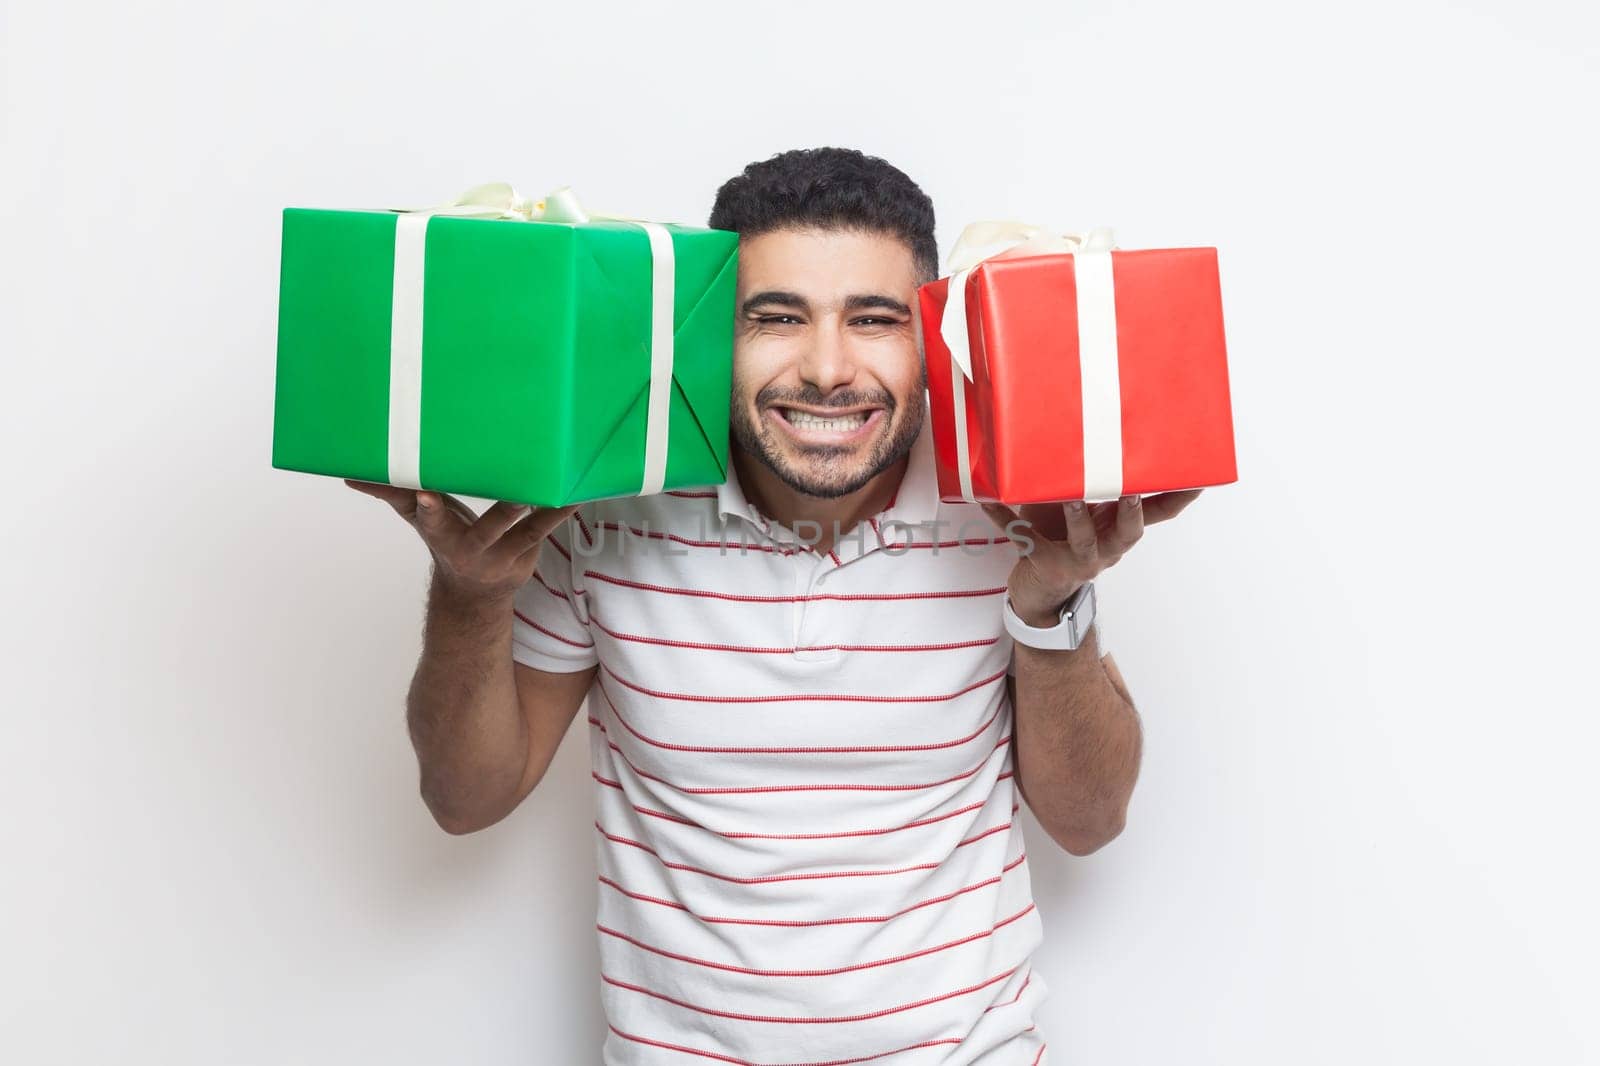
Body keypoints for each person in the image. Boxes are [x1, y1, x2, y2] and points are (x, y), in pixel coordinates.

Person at [347, 147, 1201, 1065]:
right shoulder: (606, 514)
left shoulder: (1002, 514)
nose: (828, 369)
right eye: (777, 317)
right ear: (714, 332)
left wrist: (1052, 602)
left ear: (929, 337)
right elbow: (466, 799)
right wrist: (474, 598)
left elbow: (1089, 821)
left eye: (872, 319)